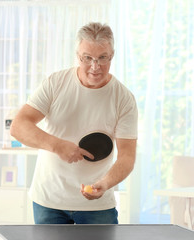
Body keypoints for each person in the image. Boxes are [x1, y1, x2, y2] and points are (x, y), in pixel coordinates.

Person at [10, 22, 138, 224]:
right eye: (87, 58)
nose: (95, 67)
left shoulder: (124, 98)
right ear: (77, 55)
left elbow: (127, 157)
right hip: (49, 201)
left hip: (98, 206)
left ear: (112, 55)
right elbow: (18, 126)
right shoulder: (55, 83)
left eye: (102, 58)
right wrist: (57, 145)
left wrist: (104, 184)